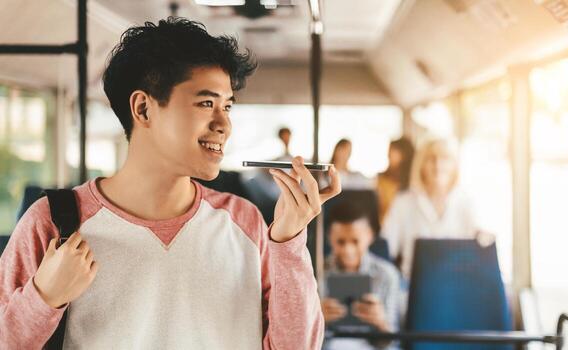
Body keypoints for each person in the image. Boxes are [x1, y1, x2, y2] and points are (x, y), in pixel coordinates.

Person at [0, 18, 341, 349]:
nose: (224, 124)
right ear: (144, 108)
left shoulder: (245, 223)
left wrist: (289, 242)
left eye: (228, 106)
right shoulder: (52, 222)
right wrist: (43, 298)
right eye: (206, 103)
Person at [380, 137, 490, 279]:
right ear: (421, 165)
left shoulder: (466, 202)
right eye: (431, 159)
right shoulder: (403, 203)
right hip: (413, 289)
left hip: (458, 284)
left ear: (455, 165)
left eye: (445, 158)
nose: (438, 165)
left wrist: (483, 237)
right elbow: (386, 248)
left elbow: (482, 240)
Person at [322, 200, 400, 350]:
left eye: (355, 241)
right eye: (341, 242)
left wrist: (381, 323)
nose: (348, 250)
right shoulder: (315, 272)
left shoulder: (387, 275)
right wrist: (317, 319)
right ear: (329, 237)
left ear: (370, 236)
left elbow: (392, 342)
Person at [376, 137, 415, 224]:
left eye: (393, 151)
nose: (388, 154)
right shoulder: (381, 180)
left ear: (404, 155)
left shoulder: (414, 182)